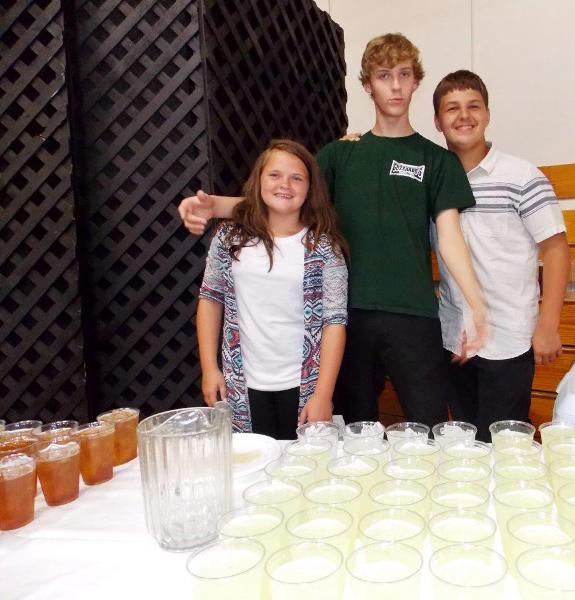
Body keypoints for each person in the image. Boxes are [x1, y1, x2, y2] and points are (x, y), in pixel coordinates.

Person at [180, 34, 487, 428]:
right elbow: (284, 199)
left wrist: (476, 305)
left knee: (429, 426)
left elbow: (450, 237)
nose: (395, 86)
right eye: (384, 76)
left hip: (414, 314)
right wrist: (216, 206)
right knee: (353, 430)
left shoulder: (437, 160)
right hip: (348, 316)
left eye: (404, 75)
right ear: (367, 85)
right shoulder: (342, 153)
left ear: (416, 82)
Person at [431, 70, 570, 442]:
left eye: (473, 106)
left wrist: (548, 325)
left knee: (505, 446)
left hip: (509, 336)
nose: (464, 116)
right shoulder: (434, 179)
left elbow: (556, 249)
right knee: (466, 444)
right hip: (454, 338)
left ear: (488, 114)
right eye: (452, 108)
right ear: (438, 122)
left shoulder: (522, 176)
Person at [196, 139, 348, 436]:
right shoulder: (229, 238)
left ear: (310, 188)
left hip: (304, 386)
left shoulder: (324, 248)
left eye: (297, 178)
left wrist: (323, 394)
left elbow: (334, 322)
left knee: (304, 461)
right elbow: (210, 299)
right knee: (252, 461)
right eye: (274, 175)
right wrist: (209, 368)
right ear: (259, 180)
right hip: (240, 385)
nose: (285, 185)